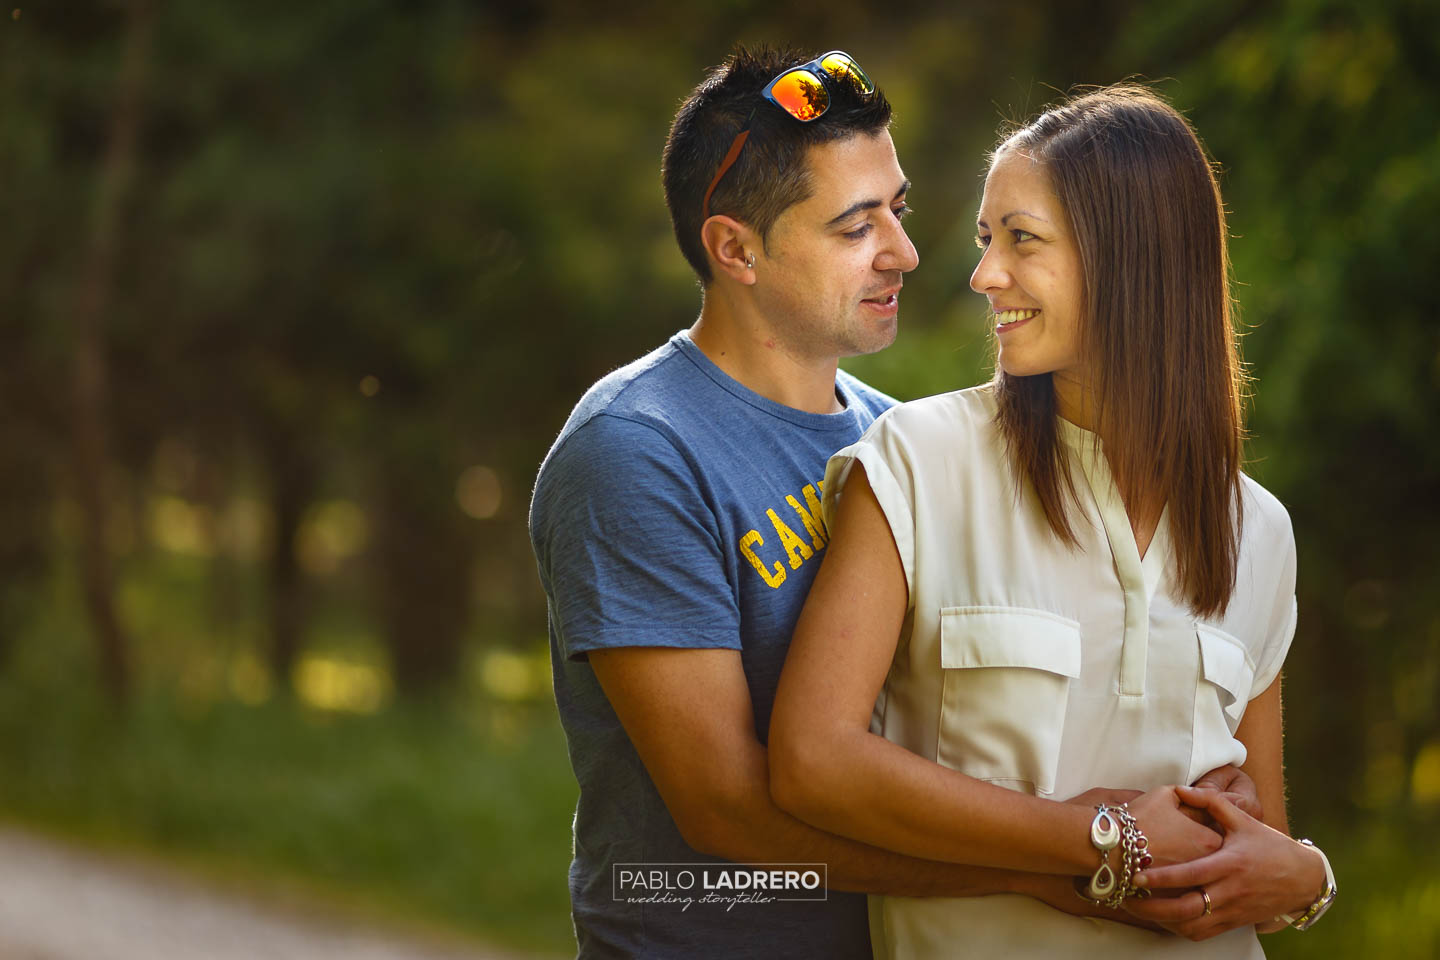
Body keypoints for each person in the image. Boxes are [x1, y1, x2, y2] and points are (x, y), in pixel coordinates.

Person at [531, 53, 1266, 958]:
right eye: (854, 227)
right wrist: (1058, 867)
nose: (906, 254)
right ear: (735, 249)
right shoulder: (638, 447)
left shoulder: (903, 445)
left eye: (898, 209)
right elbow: (727, 812)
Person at [768, 85, 1336, 958]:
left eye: (1021, 240)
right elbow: (813, 760)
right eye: (986, 239)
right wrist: (1100, 840)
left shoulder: (1259, 530)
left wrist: (1307, 878)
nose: (984, 274)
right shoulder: (919, 460)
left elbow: (1252, 851)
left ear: (1132, 258)